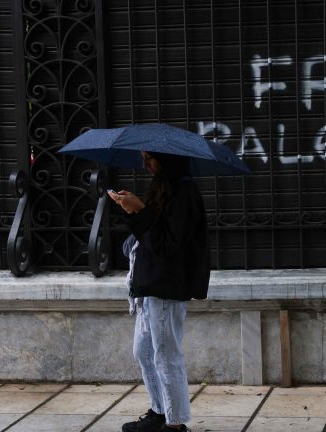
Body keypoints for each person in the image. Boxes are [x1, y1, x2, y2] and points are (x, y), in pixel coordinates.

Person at [109, 151, 210, 432]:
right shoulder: (164, 186)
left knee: (166, 356)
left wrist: (140, 210)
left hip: (166, 284)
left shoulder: (184, 192)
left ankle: (175, 423)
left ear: (168, 159)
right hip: (149, 283)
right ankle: (160, 411)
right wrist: (134, 208)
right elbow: (153, 232)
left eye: (150, 158)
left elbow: (166, 244)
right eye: (143, 157)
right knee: (143, 352)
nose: (145, 164)